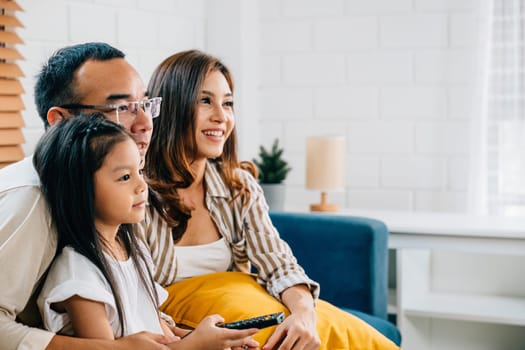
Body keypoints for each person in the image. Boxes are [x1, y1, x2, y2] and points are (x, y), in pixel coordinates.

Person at [142, 49, 399, 350]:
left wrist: (303, 315)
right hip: (190, 328)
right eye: (205, 100)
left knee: (343, 336)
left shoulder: (239, 186)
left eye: (228, 103)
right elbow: (130, 299)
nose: (221, 116)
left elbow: (279, 265)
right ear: (172, 106)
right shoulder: (135, 190)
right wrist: (191, 337)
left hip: (242, 307)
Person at [0, 42, 251, 350]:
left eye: (145, 104)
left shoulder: (111, 207)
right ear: (61, 121)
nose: (146, 124)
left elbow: (136, 319)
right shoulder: (31, 199)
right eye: (123, 109)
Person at [33, 114, 259, 350]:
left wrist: (210, 338)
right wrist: (196, 345)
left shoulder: (133, 248)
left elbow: (158, 329)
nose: (142, 186)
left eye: (140, 171)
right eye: (125, 177)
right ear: (80, 191)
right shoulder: (78, 274)